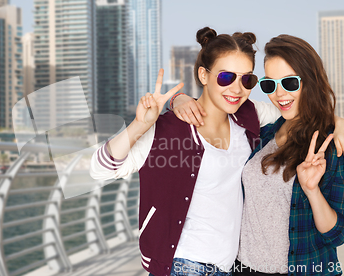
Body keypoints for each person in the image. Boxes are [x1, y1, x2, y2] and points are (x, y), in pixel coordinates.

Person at [172, 34, 344, 276]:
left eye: (290, 83)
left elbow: (337, 234)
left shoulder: (334, 145)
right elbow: (215, 105)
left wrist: (312, 191)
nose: (279, 94)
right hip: (242, 269)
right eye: (270, 84)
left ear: (310, 81)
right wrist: (178, 98)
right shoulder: (265, 132)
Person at [91, 27, 267, 276]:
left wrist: (341, 125)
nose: (237, 89)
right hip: (183, 266)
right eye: (226, 77)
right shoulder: (167, 130)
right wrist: (141, 123)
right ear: (204, 76)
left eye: (247, 79)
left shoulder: (248, 116)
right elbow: (99, 169)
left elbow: (298, 113)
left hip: (228, 267)